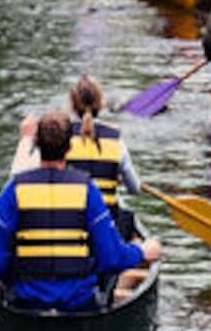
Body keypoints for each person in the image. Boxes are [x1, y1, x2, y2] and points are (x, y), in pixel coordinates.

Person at [0, 110, 160, 311]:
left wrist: (10, 276)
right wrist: (142, 252)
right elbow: (112, 257)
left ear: (37, 144)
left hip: (26, 301)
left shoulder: (14, 190)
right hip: (78, 303)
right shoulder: (87, 190)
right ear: (69, 148)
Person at [11, 76, 144, 239]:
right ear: (100, 104)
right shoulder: (116, 140)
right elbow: (134, 189)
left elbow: (22, 176)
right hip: (106, 228)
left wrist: (26, 140)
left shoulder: (59, 136)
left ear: (72, 105)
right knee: (127, 220)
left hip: (68, 223)